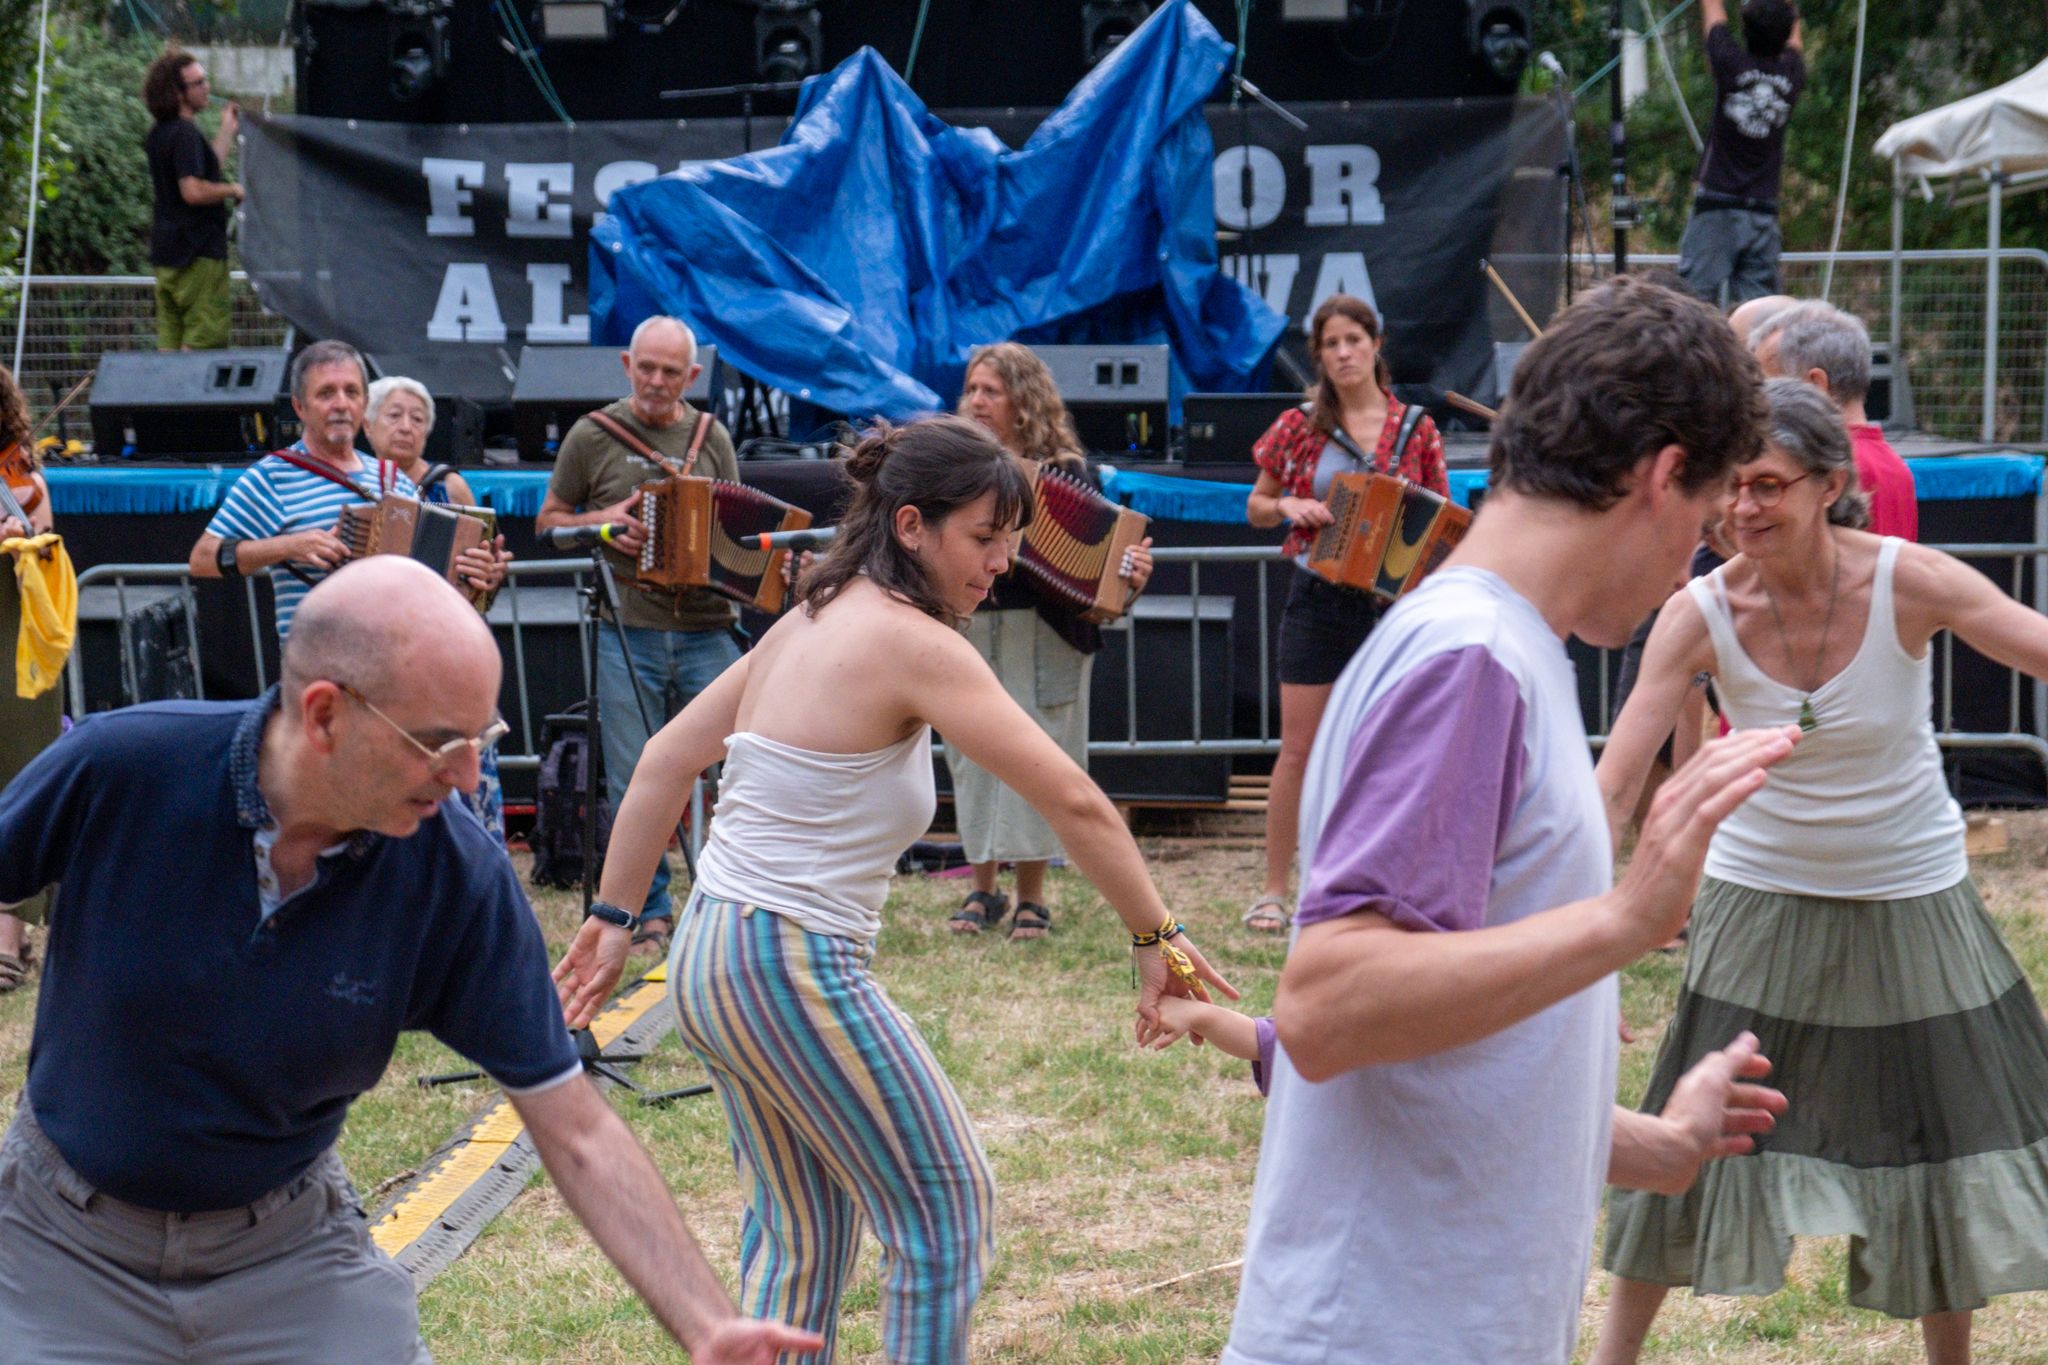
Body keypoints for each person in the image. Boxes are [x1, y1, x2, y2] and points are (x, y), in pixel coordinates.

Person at [0, 557, 823, 1364]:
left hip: (286, 1253)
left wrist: (707, 1323)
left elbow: (574, 1129)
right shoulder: (125, 768)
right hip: (60, 1245)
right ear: (324, 714)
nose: (468, 776)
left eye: (484, 737)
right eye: (441, 742)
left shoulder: (453, 873)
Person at [552, 415, 1236, 1362]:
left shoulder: (811, 618)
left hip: (715, 956)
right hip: (779, 959)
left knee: (803, 1240)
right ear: (911, 525)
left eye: (1011, 538)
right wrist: (1156, 937)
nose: (1002, 560)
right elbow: (1072, 800)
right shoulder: (913, 641)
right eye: (984, 536)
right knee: (948, 1212)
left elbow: (667, 760)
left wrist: (616, 916)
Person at [1224, 276, 1796, 1365]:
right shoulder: (1471, 661)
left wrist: (1658, 1146)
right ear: (1661, 475)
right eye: (1704, 518)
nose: (1696, 562)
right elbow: (1329, 1005)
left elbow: (1452, 1058)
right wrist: (1626, 921)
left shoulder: (1491, 646)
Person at [1590, 378, 2048, 1365]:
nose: (1740, 509)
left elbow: (2037, 647)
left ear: (1828, 484)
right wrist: (1573, 941)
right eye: (1728, 488)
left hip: (1910, 895)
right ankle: (1608, 1359)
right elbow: (1612, 785)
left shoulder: (1908, 580)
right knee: (1690, 1131)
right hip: (1759, 899)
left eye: (1767, 486)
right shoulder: (1697, 613)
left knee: (1940, 1141)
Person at [536, 315, 741, 958]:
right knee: (635, 780)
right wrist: (604, 526)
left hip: (710, 629)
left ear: (693, 376)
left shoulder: (712, 436)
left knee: (748, 763)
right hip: (629, 628)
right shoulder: (591, 436)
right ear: (626, 365)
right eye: (646, 368)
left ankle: (733, 899)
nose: (655, 381)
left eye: (670, 371)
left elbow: (733, 521)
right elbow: (549, 524)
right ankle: (649, 913)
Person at [1242, 293, 1447, 934]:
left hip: (1392, 606)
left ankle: (1384, 884)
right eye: (1330, 344)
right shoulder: (1299, 426)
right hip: (1319, 596)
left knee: (1392, 748)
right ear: (1320, 357)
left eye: (1353, 340)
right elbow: (1256, 504)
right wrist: (1288, 508)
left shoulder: (1416, 428)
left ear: (1376, 344)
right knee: (1298, 749)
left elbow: (1441, 517)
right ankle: (1276, 889)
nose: (1343, 353)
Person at [947, 341, 1153, 938]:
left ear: (1024, 400)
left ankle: (1032, 896)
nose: (977, 400)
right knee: (974, 759)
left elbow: (1103, 560)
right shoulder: (957, 464)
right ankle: (981, 890)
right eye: (972, 388)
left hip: (1047, 632)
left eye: (991, 390)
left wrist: (1130, 573)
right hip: (973, 625)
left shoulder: (1067, 471)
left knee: (1041, 757)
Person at [188, 339, 507, 639]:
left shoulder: (392, 479)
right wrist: (289, 546)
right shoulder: (273, 476)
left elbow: (430, 587)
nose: (341, 404)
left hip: (393, 669)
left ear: (364, 404)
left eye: (351, 392)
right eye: (326, 393)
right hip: (318, 674)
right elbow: (202, 559)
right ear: (300, 407)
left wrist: (482, 580)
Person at [365, 373, 511, 846]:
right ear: (367, 426)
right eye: (394, 415)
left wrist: (490, 575)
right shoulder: (357, 488)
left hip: (445, 657)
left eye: (418, 418)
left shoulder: (450, 487)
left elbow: (482, 587)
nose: (406, 426)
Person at [1753, 299, 1918, 539]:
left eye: (1770, 386)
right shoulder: (1896, 467)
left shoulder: (1830, 465)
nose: (1760, 400)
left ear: (1815, 385)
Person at [1677, 0, 1805, 305]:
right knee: (1759, 310)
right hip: (1763, 211)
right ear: (1787, 31)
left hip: (1717, 208)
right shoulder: (1792, 74)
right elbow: (1795, 35)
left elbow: (1713, 13)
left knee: (1692, 304)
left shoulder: (1731, 64)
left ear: (1745, 31)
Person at [0, 364, 59, 994]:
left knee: (17, 770)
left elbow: (51, 550)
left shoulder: (23, 476)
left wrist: (23, 536)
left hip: (13, 635)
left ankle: (10, 933)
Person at [142, 49, 243, 352]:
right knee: (203, 343)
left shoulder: (160, 133)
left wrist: (226, 130)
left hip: (166, 255)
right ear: (178, 92)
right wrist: (232, 190)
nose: (207, 88)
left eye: (205, 80)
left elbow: (203, 172)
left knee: (169, 346)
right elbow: (194, 190)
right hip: (197, 254)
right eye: (198, 83)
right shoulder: (185, 133)